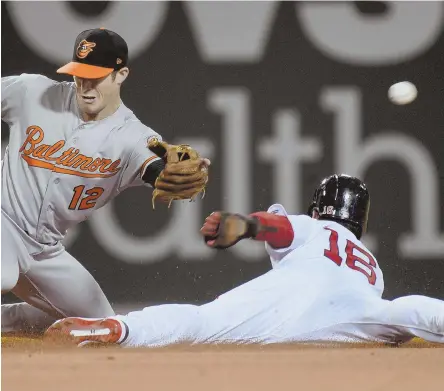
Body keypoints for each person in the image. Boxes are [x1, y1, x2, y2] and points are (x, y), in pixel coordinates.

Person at [44, 174, 444, 347]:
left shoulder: (315, 227)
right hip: (351, 319)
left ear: (320, 209)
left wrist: (246, 224)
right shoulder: (371, 263)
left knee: (201, 322)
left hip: (283, 302)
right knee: (403, 312)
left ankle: (116, 329)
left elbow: (281, 228)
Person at [1, 28, 209, 335]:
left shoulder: (132, 135)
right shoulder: (33, 92)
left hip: (43, 249)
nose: (85, 86)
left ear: (120, 74)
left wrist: (167, 172)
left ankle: (8, 323)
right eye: (79, 75)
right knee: (3, 275)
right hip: (2, 222)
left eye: (96, 76)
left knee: (98, 324)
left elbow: (155, 165)